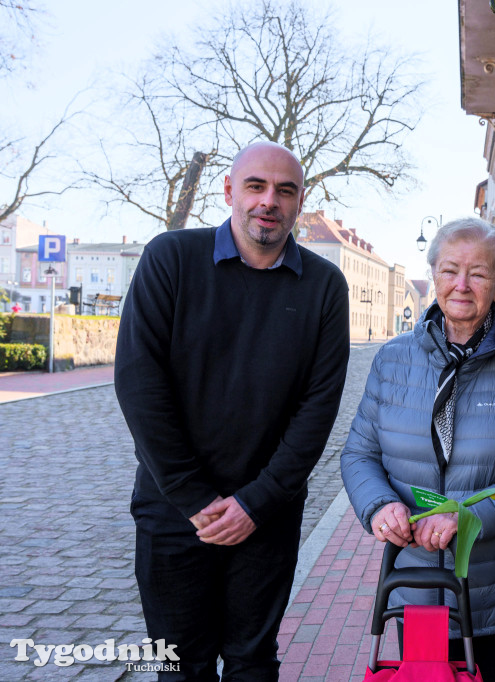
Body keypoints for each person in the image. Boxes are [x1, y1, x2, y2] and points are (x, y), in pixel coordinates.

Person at [115, 141, 350, 680]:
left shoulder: (324, 287)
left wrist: (255, 504)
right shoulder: (170, 258)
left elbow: (317, 410)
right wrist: (194, 498)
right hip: (174, 512)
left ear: (299, 202)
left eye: (284, 191)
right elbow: (138, 381)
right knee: (179, 665)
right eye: (256, 186)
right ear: (229, 191)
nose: (269, 201)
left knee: (252, 661)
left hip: (266, 517)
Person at [341, 217, 495, 682]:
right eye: (449, 271)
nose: (461, 285)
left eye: (479, 273)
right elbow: (358, 454)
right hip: (421, 590)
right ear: (433, 277)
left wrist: (467, 519)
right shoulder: (393, 359)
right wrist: (378, 504)